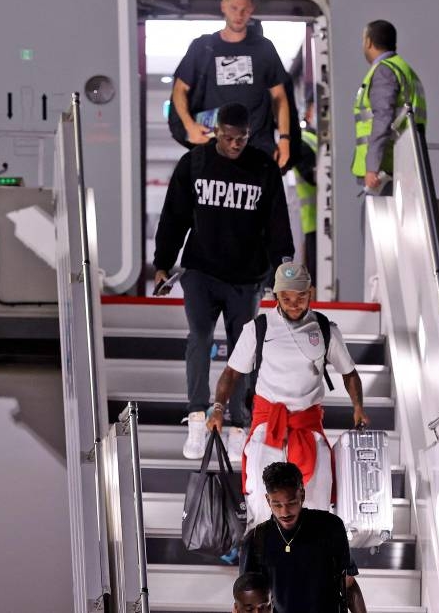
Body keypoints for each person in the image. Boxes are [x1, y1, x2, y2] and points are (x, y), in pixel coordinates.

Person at [153, 102, 294, 461]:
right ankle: (198, 416)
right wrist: (162, 264)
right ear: (216, 132)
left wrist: (284, 273)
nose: (235, 145)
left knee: (242, 348)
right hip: (201, 270)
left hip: (246, 277)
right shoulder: (195, 163)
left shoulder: (262, 167)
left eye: (241, 139)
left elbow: (277, 223)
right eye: (229, 138)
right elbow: (174, 216)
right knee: (199, 338)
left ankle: (237, 423)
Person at [207, 262, 369, 525]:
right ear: (276, 296)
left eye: (301, 297)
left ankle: (313, 561)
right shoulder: (258, 328)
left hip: (308, 429)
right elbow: (231, 373)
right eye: (286, 298)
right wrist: (217, 408)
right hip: (267, 428)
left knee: (316, 504)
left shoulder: (325, 329)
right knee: (261, 504)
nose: (294, 304)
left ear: (311, 293)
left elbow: (349, 373)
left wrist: (358, 407)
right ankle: (263, 561)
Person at [172, 0, 292, 167]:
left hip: (257, 145)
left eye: (244, 9)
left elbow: (279, 97)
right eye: (234, 8)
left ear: (251, 9)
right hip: (215, 144)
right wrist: (190, 126)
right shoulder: (203, 47)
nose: (239, 14)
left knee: (258, 195)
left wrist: (284, 138)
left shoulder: (264, 48)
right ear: (223, 7)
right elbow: (179, 89)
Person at [241, 462, 368, 613]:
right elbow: (246, 600)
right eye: (277, 505)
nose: (285, 512)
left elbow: (349, 585)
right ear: (268, 500)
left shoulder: (330, 527)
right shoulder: (256, 540)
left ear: (302, 494)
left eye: (291, 503)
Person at [352, 19, 427, 195]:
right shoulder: (405, 70)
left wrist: (372, 167)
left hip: (385, 171)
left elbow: (382, 119)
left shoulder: (384, 72)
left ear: (369, 42)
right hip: (402, 164)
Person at [291, 96, 319, 280]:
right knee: (317, 272)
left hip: (318, 219)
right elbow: (311, 176)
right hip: (314, 219)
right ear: (308, 113)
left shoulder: (318, 140)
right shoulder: (302, 141)